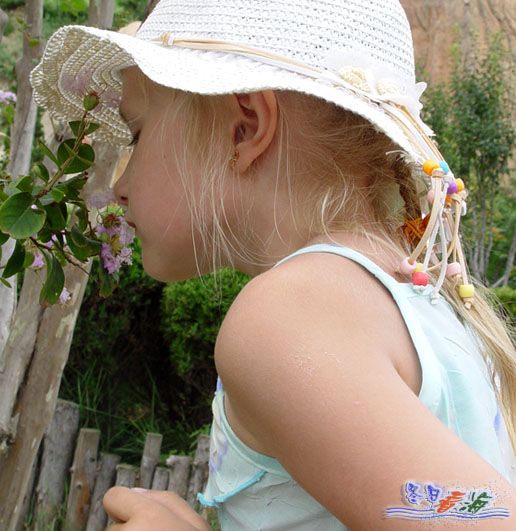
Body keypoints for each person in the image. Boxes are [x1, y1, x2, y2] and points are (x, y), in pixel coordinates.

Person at [30, 0, 516, 528]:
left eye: (137, 134)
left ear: (246, 128)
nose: (118, 187)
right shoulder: (416, 299)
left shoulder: (287, 319)